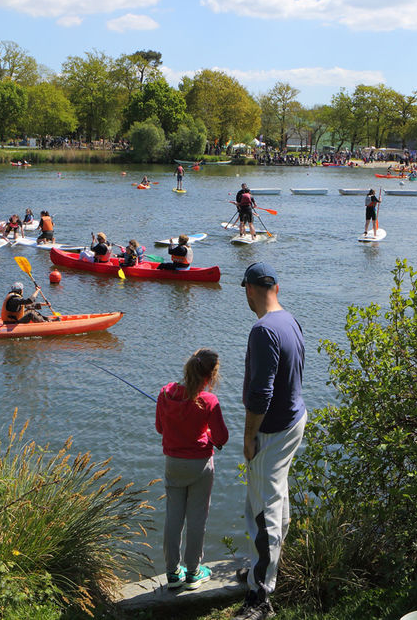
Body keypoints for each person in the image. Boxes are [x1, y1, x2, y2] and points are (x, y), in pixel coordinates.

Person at [235, 262, 306, 620]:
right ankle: (262, 568)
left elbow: (260, 393)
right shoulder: (290, 320)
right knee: (277, 500)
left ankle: (259, 596)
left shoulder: (262, 330)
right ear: (276, 286)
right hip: (295, 419)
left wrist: (250, 436)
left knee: (263, 512)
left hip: (273, 430)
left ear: (250, 289)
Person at [155, 348, 228, 591]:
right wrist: (206, 434)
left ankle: (173, 573)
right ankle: (194, 573)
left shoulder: (165, 393)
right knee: (197, 519)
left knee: (173, 518)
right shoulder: (209, 401)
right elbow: (221, 437)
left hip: (173, 464)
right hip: (200, 466)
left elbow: (160, 428)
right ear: (211, 376)